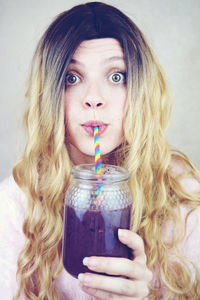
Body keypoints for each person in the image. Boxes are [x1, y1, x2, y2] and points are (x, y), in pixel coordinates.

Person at [0, 2, 200, 299]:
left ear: (140, 90)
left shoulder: (181, 192)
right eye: (72, 78)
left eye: (116, 76)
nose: (93, 98)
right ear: (50, 94)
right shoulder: (18, 201)